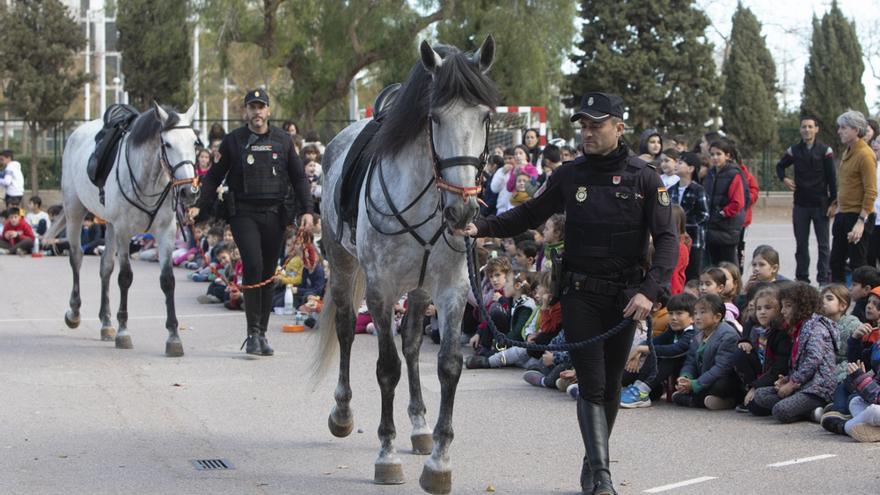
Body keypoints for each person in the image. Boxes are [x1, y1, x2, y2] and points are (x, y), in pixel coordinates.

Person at [457, 91, 678, 495]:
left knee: (611, 386)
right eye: (583, 125)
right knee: (593, 384)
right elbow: (528, 214)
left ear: (619, 127)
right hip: (579, 294)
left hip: (628, 297)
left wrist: (650, 290)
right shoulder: (569, 174)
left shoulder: (644, 177)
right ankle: (604, 477)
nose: (587, 132)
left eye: (596, 124)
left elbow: (667, 239)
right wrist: (481, 227)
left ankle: (593, 464)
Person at [189, 89, 314, 356]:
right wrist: (199, 205)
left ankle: (262, 333)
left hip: (275, 214)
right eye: (252, 107)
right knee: (253, 265)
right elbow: (213, 177)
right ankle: (252, 331)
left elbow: (299, 178)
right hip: (243, 213)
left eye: (261, 107)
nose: (257, 112)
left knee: (268, 271)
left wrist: (307, 210)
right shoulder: (233, 142)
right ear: (245, 112)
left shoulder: (283, 140)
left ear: (268, 111)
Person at [776, 114, 836, 284]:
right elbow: (780, 166)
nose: (807, 130)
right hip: (801, 205)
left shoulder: (825, 151)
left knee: (823, 245)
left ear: (816, 129)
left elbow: (832, 179)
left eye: (810, 126)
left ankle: (824, 279)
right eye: (804, 126)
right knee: (801, 245)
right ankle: (802, 278)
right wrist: (785, 179)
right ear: (800, 129)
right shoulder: (793, 150)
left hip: (821, 205)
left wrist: (834, 202)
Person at [620, 292, 697, 408]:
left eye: (679, 314)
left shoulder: (692, 333)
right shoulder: (673, 330)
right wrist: (638, 351)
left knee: (666, 356)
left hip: (688, 376)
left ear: (692, 318)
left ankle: (641, 391)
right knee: (652, 352)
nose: (674, 318)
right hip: (666, 377)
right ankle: (638, 387)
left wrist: (642, 349)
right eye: (670, 314)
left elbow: (676, 349)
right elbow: (654, 342)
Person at [829, 110, 878, 283]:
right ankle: (837, 299)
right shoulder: (848, 152)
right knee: (835, 261)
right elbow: (847, 184)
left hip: (858, 216)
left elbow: (871, 190)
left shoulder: (865, 154)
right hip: (844, 213)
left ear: (856, 130)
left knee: (858, 265)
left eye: (844, 127)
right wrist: (837, 205)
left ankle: (864, 303)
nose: (839, 131)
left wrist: (861, 221)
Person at [672, 293, 741, 410]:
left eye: (702, 312)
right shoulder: (698, 334)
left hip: (723, 379)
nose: (697, 317)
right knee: (686, 386)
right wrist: (685, 377)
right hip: (704, 379)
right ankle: (702, 400)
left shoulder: (728, 335)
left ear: (717, 317)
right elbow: (690, 361)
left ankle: (729, 401)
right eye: (695, 313)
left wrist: (695, 384)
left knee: (720, 385)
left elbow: (721, 368)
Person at [703, 139, 746, 266]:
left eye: (718, 154)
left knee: (729, 265)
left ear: (727, 156)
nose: (715, 157)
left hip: (727, 227)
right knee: (715, 265)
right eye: (712, 154)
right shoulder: (710, 174)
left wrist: (722, 213)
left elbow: (737, 202)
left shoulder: (734, 174)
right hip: (712, 226)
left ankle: (734, 286)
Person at [670, 152, 709, 281]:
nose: (676, 165)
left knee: (693, 276)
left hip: (694, 242)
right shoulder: (671, 190)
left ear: (691, 169)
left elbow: (704, 215)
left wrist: (683, 225)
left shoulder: (698, 190)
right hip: (675, 242)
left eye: (680, 163)